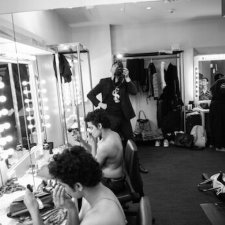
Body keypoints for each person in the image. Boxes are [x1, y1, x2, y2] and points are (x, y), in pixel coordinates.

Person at [23, 146, 127, 225]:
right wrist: (71, 208)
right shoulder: (94, 193)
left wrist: (34, 210)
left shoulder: (97, 218)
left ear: (78, 186)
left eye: (63, 186)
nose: (64, 190)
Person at [87, 60, 148, 173]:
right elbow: (90, 94)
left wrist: (128, 77)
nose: (117, 68)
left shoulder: (124, 81)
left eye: (119, 66)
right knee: (107, 141)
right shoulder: (104, 82)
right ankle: (106, 165)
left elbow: (134, 91)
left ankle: (136, 165)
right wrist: (100, 104)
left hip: (124, 117)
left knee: (130, 140)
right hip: (109, 118)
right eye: (114, 66)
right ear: (110, 69)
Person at [79, 109, 126, 194]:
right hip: (116, 179)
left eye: (91, 127)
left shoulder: (106, 145)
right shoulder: (113, 134)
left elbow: (94, 168)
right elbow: (96, 155)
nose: (90, 131)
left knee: (81, 185)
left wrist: (93, 144)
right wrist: (82, 141)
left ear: (99, 126)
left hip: (112, 183)